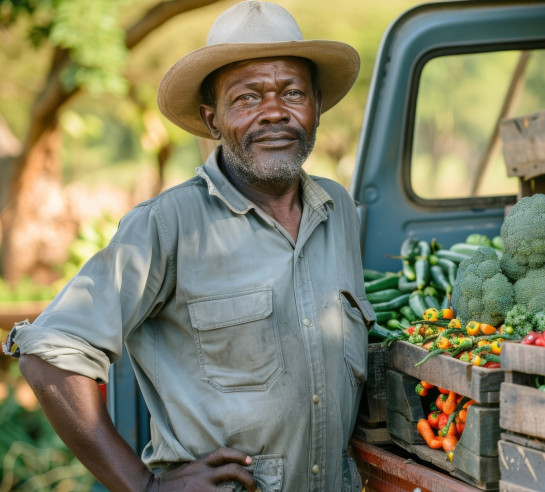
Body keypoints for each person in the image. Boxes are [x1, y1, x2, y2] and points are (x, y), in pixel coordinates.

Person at [2, 2, 373, 490]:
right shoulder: (167, 225)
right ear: (211, 117)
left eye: (293, 92)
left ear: (317, 105)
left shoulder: (337, 209)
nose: (275, 112)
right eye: (246, 98)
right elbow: (50, 353)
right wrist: (145, 486)